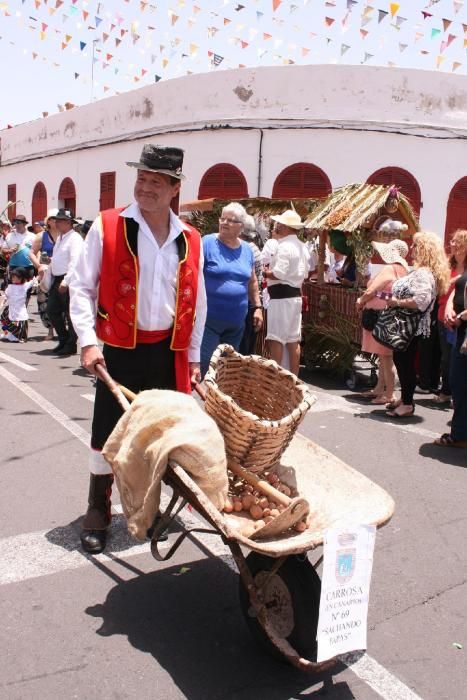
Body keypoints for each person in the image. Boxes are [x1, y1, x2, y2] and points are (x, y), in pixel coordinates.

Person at [69, 143, 207, 555]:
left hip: (168, 352)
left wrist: (195, 356)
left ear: (174, 188)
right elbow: (81, 285)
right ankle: (98, 508)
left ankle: (147, 509)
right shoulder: (108, 225)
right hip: (120, 351)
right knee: (106, 432)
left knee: (158, 436)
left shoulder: (191, 238)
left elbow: (197, 302)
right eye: (142, 179)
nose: (145, 188)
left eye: (156, 181)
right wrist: (88, 342)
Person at [385, 231, 450, 418]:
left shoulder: (423, 273)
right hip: (413, 326)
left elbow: (421, 301)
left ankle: (406, 403)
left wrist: (396, 302)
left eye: (415, 245)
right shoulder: (424, 271)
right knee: (403, 361)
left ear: (423, 249)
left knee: (404, 363)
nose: (411, 248)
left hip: (411, 326)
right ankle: (406, 399)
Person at [200, 202, 263, 376]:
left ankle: (218, 403)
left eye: (231, 220)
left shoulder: (247, 250)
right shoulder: (207, 243)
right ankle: (199, 401)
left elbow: (252, 281)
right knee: (205, 365)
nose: (224, 223)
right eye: (223, 218)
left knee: (228, 370)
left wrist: (257, 307)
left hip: (236, 324)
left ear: (241, 227)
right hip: (208, 322)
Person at [355, 239, 409, 405]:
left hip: (379, 315)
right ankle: (380, 388)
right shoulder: (404, 269)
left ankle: (388, 393)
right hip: (389, 314)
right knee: (384, 355)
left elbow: (372, 290)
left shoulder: (389, 268)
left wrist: (361, 300)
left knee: (386, 356)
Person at [263, 209, 309, 376]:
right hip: (294, 296)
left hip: (281, 298)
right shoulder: (302, 247)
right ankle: (294, 377)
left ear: (286, 226)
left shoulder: (284, 247)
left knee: (276, 338)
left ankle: (275, 379)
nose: (277, 226)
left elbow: (279, 273)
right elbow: (305, 273)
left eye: (280, 224)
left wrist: (264, 272)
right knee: (292, 339)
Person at [435, 251, 467, 447]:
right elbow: (458, 286)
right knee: (459, 384)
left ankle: (460, 435)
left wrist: (463, 315)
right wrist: (449, 308)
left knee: (460, 383)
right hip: (461, 335)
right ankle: (460, 433)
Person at [432, 229, 467, 405]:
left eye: (455, 241)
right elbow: (440, 288)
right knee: (447, 356)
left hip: (461, 319)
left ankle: (457, 392)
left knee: (459, 357)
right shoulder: (448, 266)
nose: (451, 244)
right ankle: (446, 390)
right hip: (443, 315)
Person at [47, 209, 83, 356]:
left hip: (68, 279)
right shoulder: (61, 238)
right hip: (57, 278)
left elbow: (75, 262)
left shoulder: (75, 239)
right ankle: (64, 339)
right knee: (52, 310)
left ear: (68, 223)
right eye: (56, 220)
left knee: (70, 313)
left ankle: (70, 344)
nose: (56, 223)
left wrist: (66, 281)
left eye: (60, 221)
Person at [29, 210, 59, 341]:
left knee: (63, 302)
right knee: (45, 303)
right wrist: (38, 266)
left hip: (61, 273)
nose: (55, 221)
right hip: (46, 273)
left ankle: (64, 331)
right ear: (48, 221)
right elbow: (31, 253)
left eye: (57, 218)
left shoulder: (66, 235)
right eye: (52, 218)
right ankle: (50, 330)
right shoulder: (42, 236)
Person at [239, 214, 263, 355]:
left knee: (244, 346)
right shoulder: (253, 247)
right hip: (251, 302)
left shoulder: (247, 249)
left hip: (248, 302)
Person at [0, 267, 34, 342]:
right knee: (3, 319)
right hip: (11, 307)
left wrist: (41, 274)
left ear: (21, 278)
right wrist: (2, 303)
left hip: (20, 308)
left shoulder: (25, 286)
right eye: (13, 277)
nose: (13, 279)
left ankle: (18, 336)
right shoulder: (10, 287)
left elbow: (33, 282)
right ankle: (7, 333)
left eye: (16, 277)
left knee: (19, 321)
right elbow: (6, 296)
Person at [4, 214, 35, 281]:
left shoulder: (32, 236)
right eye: (15, 222)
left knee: (27, 289)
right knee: (13, 289)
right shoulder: (10, 235)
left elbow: (37, 251)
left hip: (28, 267)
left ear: (24, 224)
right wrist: (10, 250)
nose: (16, 224)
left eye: (18, 223)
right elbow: (2, 250)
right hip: (14, 266)